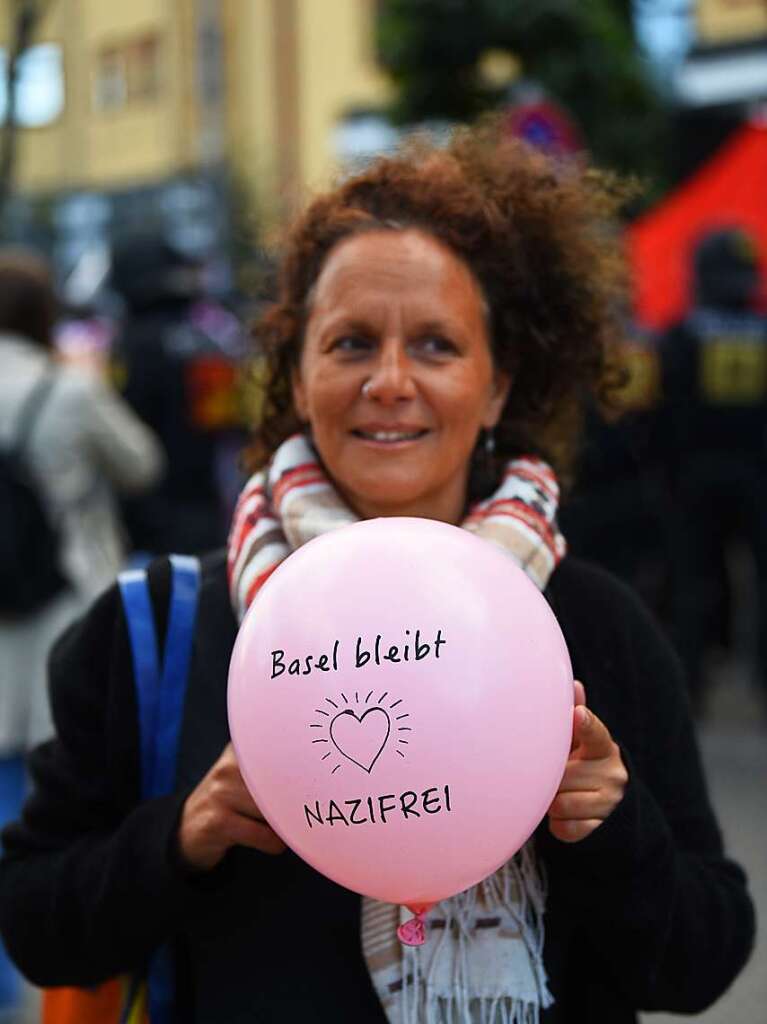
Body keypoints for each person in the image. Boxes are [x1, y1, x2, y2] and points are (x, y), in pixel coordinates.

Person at [0, 133, 755, 1024]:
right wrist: (181, 836)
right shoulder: (158, 629)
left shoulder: (592, 624)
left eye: (435, 345)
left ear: (498, 386)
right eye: (351, 343)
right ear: (296, 375)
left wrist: (609, 827)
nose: (389, 382)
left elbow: (702, 962)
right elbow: (36, 924)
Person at [0, 248, 164, 1014]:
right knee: (53, 802)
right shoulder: (67, 390)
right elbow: (141, 464)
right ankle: (38, 989)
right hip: (68, 614)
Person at [658, 227, 767, 715]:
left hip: (694, 481)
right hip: (757, 477)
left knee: (692, 584)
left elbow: (663, 416)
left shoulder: (680, 337)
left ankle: (692, 687)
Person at [110, 234, 248, 557]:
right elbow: (229, 422)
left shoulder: (130, 347)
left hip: (149, 513)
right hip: (208, 502)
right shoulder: (205, 340)